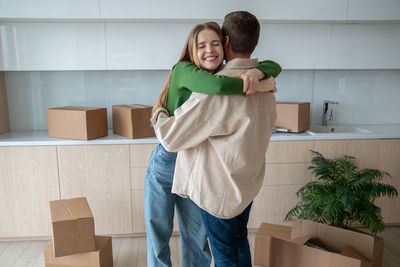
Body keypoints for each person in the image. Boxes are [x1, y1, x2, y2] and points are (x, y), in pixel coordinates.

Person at [144, 21, 281, 267]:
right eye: (202, 46)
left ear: (225, 44)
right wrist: (260, 82)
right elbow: (218, 87)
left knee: (198, 242)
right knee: (158, 234)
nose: (210, 50)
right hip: (169, 157)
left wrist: (260, 74)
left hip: (196, 162)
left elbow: (272, 65)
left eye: (215, 43)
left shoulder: (221, 75)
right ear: (191, 50)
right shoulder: (185, 70)